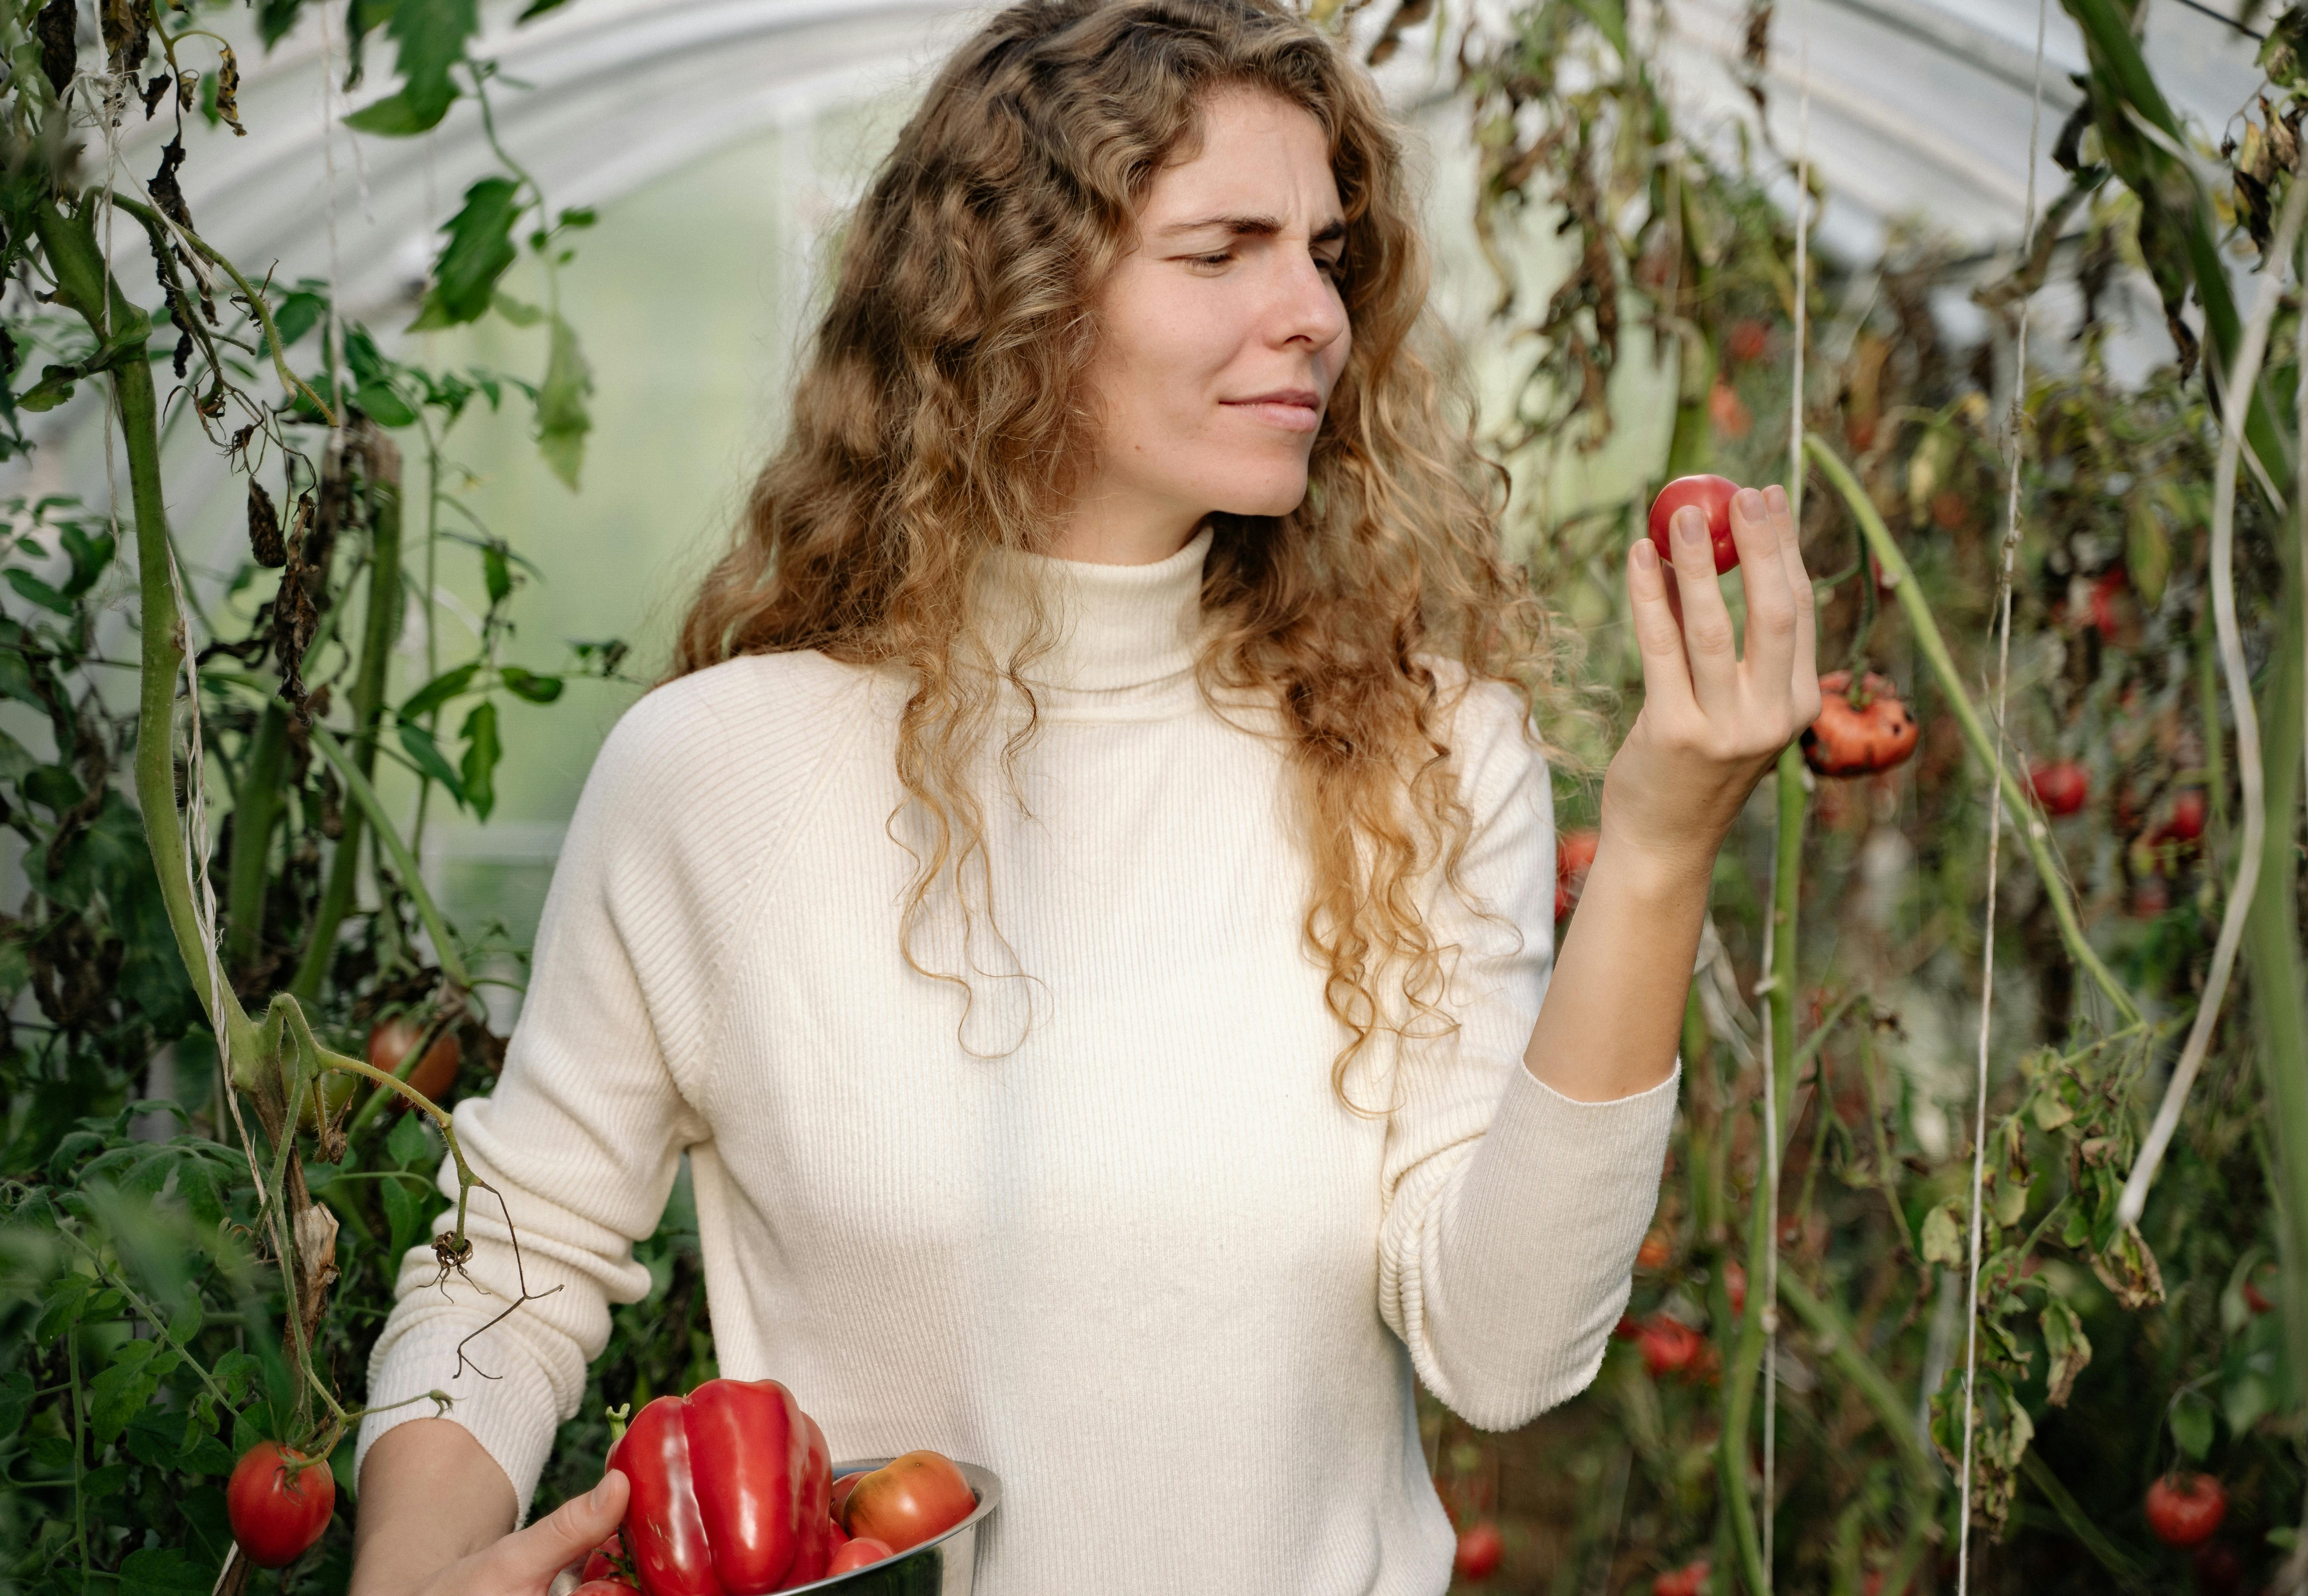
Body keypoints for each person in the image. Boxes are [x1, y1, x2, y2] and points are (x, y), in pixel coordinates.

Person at [347, 0, 1819, 1589]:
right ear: (1017, 302)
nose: (1313, 311)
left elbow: (1510, 1351)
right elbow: (518, 1260)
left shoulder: (1427, 753)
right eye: (1220, 251)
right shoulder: (721, 774)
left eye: (1325, 251)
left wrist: (1660, 850)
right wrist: (408, 1578)